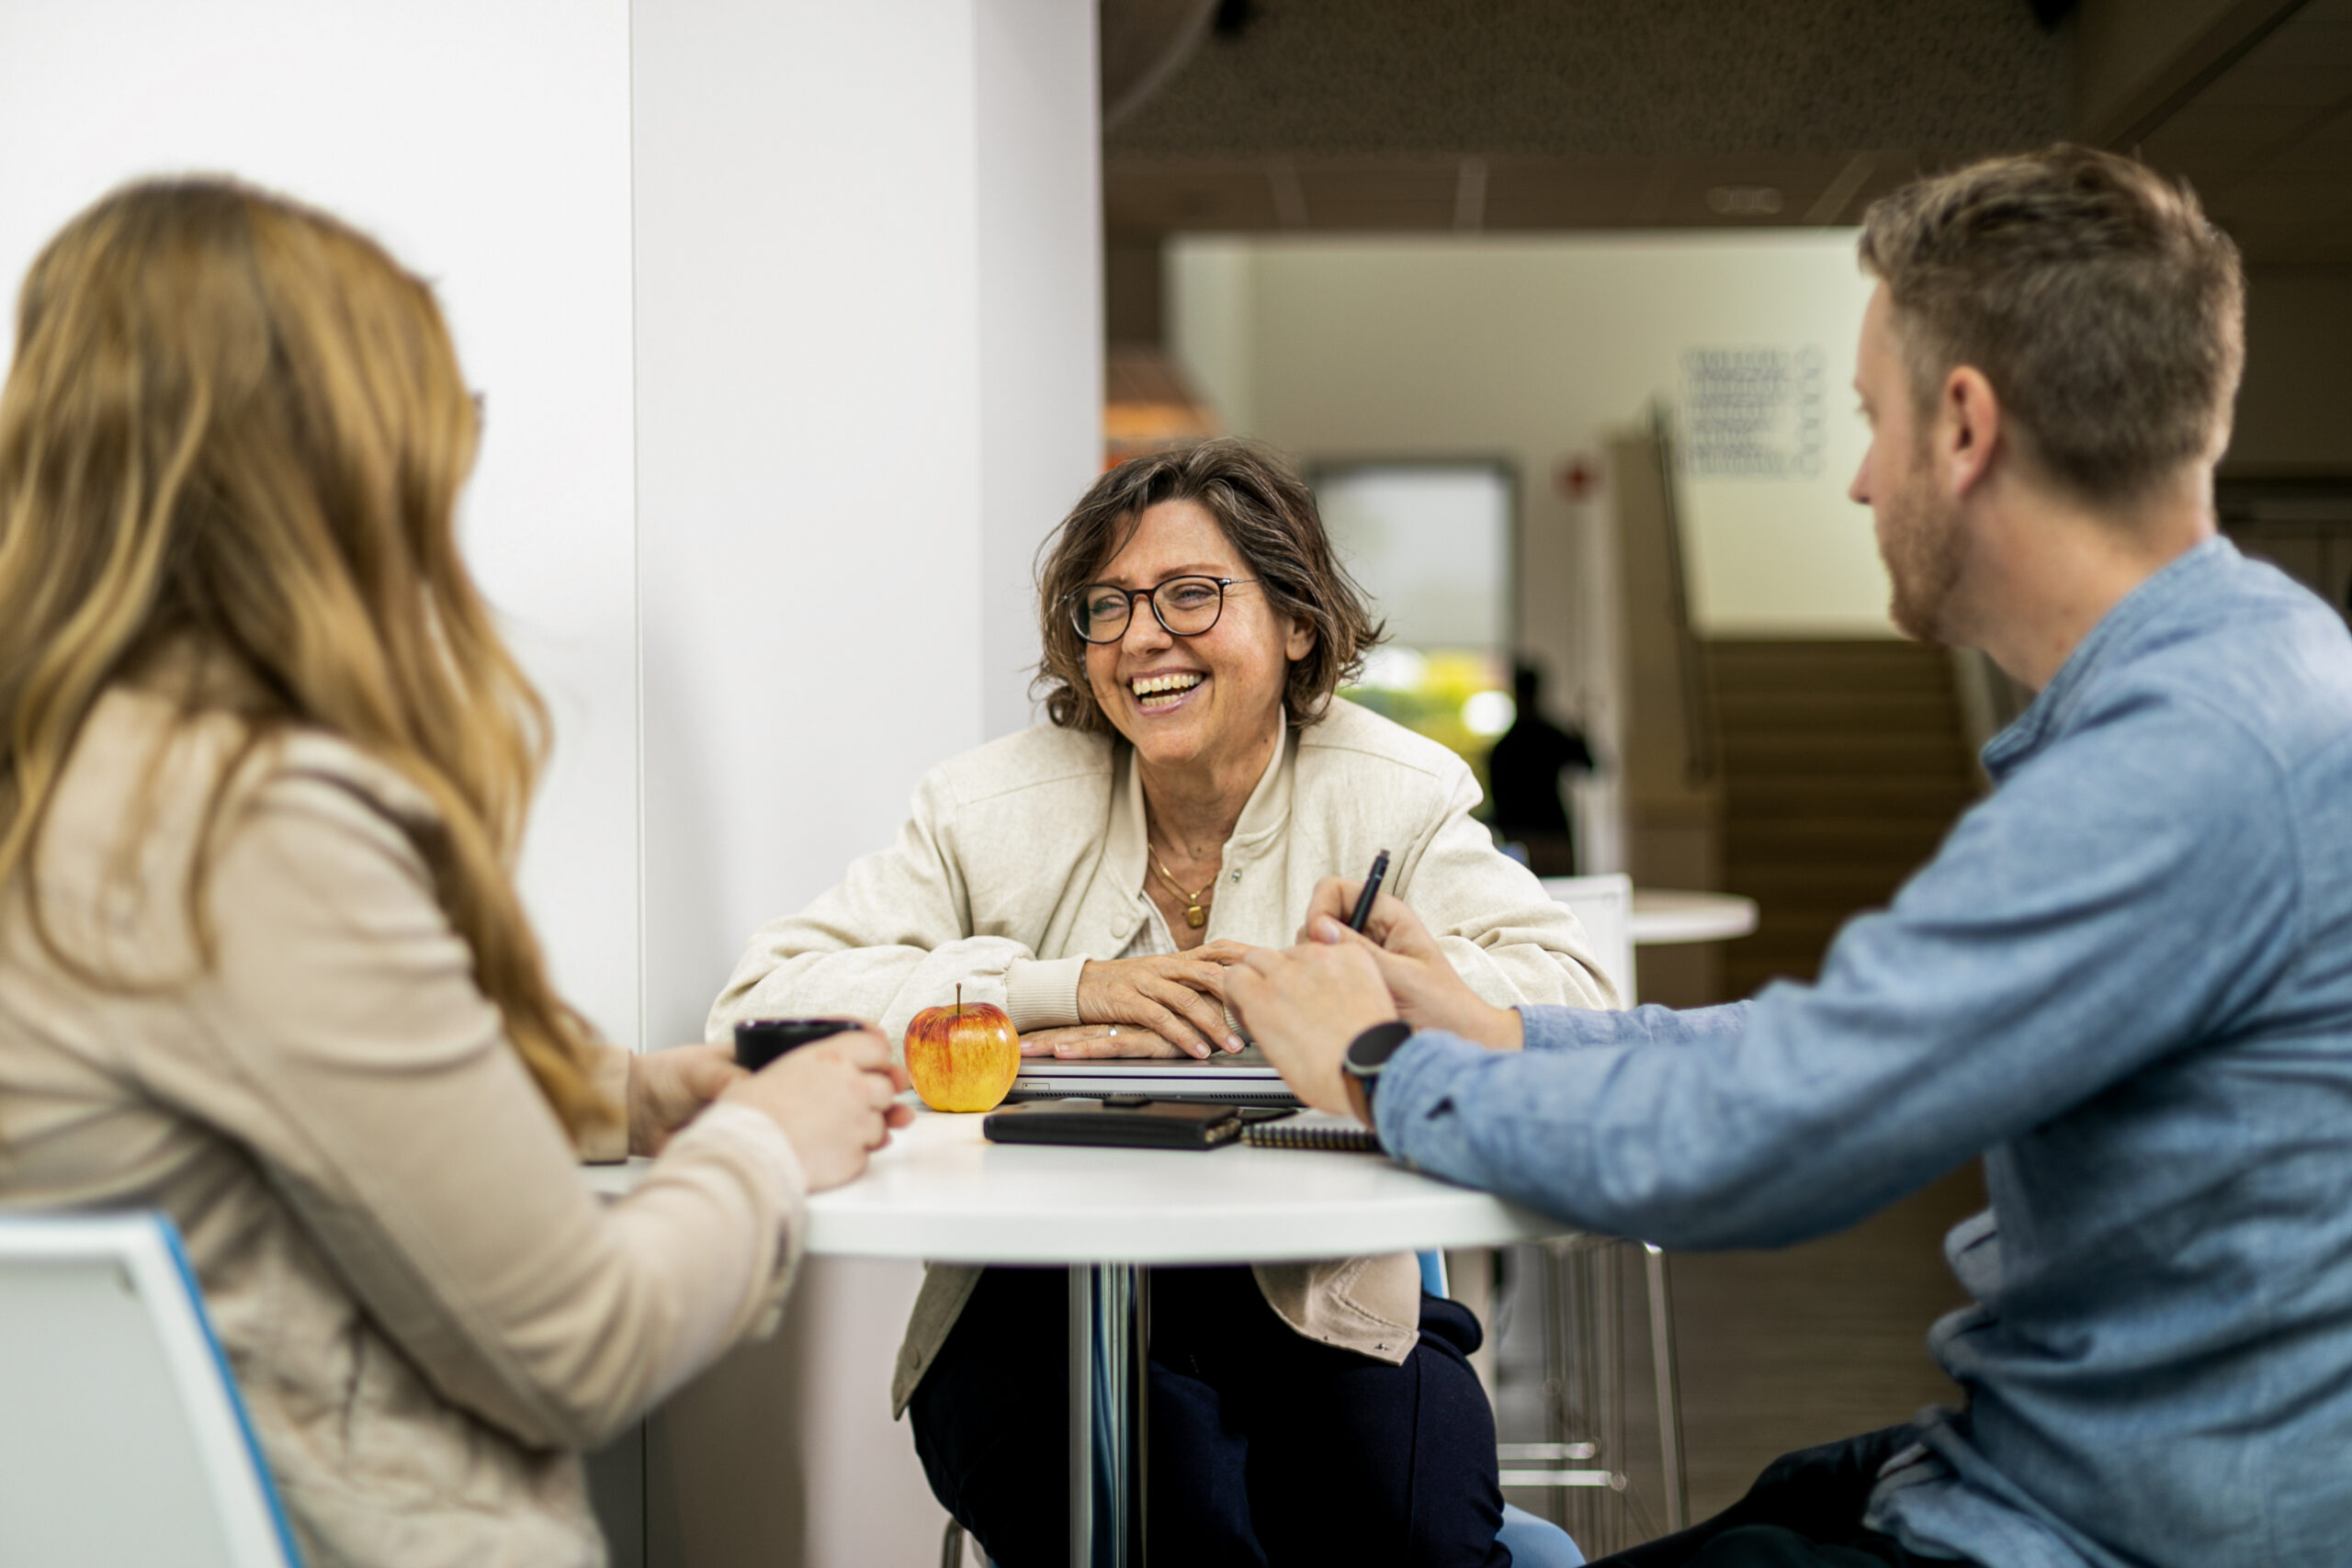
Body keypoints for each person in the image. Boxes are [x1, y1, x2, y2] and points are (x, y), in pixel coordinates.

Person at [1226, 146, 2352, 1568]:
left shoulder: (2185, 758)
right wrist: (1498, 1029)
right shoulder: (2247, 683)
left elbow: (1770, 1137)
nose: (1861, 481)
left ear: (1964, 426)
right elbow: (1846, 1045)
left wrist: (1382, 1067)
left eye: (1874, 420)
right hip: (2048, 1462)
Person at [0, 179, 911, 1568]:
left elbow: (243, 1104)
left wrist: (613, 1092)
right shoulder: (245, 824)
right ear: (328, 468)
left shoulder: (65, 786)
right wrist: (771, 1140)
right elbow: (582, 1345)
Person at [708, 438, 1616, 1566]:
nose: (1143, 637)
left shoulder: (1392, 791)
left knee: (1414, 1546)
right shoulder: (990, 806)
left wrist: (1364, 993)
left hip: (1324, 1290)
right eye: (1108, 607)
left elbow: (1573, 998)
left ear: (1295, 622)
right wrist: (1054, 989)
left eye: (1190, 595)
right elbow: (762, 1003)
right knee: (1172, 1531)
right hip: (1029, 1299)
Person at [1486, 659, 1595, 874]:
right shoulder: (1550, 737)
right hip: (1545, 832)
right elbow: (1588, 765)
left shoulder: (1505, 746)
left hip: (1528, 833)